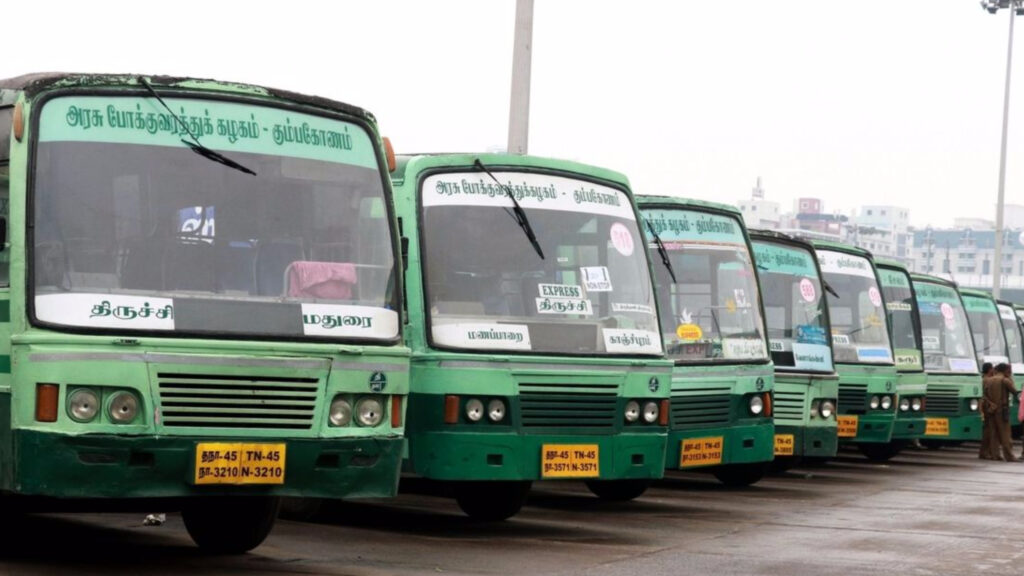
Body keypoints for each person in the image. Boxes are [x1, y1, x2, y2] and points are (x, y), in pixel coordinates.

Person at [982, 363, 1019, 462]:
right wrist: (1010, 378)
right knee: (1005, 434)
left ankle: (995, 455)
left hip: (991, 410)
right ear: (1006, 370)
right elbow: (1015, 392)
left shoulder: (989, 380)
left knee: (994, 433)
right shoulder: (1005, 380)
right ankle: (1009, 456)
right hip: (1002, 410)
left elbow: (984, 395)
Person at [979, 362, 995, 460]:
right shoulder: (987, 380)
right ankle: (984, 452)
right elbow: (985, 395)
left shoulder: (983, 379)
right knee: (988, 430)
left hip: (985, 406)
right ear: (989, 370)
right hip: (987, 407)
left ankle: (985, 452)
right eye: (992, 368)